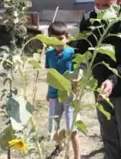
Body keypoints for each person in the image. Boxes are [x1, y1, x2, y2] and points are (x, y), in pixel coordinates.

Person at [68, 0, 121, 159]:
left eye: (106, 5)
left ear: (118, 1)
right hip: (100, 88)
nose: (101, 10)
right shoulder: (88, 20)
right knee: (108, 135)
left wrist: (113, 79)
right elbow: (82, 49)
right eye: (97, 5)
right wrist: (79, 70)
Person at [45, 21, 80, 159]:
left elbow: (78, 74)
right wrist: (48, 92)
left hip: (69, 95)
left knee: (73, 129)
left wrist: (76, 87)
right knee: (52, 128)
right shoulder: (49, 54)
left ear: (67, 37)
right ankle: (60, 146)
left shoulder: (73, 53)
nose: (57, 43)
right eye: (53, 40)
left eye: (60, 39)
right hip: (54, 95)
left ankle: (77, 156)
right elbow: (50, 74)